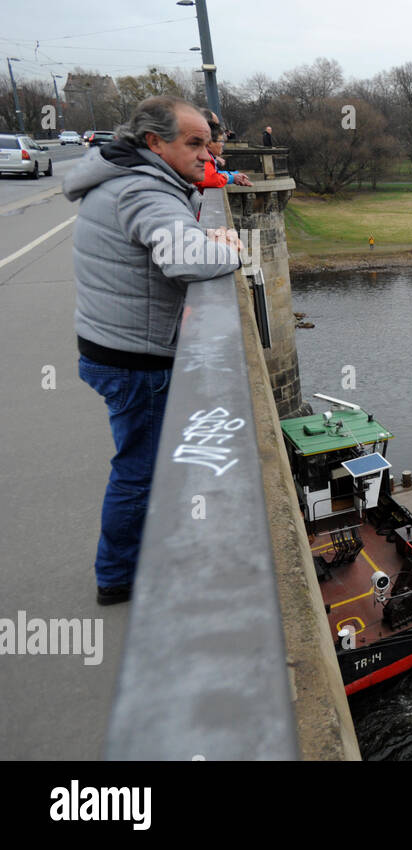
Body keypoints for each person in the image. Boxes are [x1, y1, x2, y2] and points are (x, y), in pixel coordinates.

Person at [64, 96, 244, 605]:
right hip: (134, 357)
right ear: (154, 142)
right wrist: (228, 249)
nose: (206, 154)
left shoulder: (131, 179)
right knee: (141, 470)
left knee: (141, 463)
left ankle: (132, 562)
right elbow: (184, 258)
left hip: (112, 344)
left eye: (207, 144)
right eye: (193, 143)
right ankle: (120, 577)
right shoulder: (145, 190)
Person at [195, 109, 252, 189]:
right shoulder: (200, 155)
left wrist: (232, 175)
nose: (223, 144)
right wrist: (231, 177)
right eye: (215, 125)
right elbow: (209, 179)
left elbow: (211, 175)